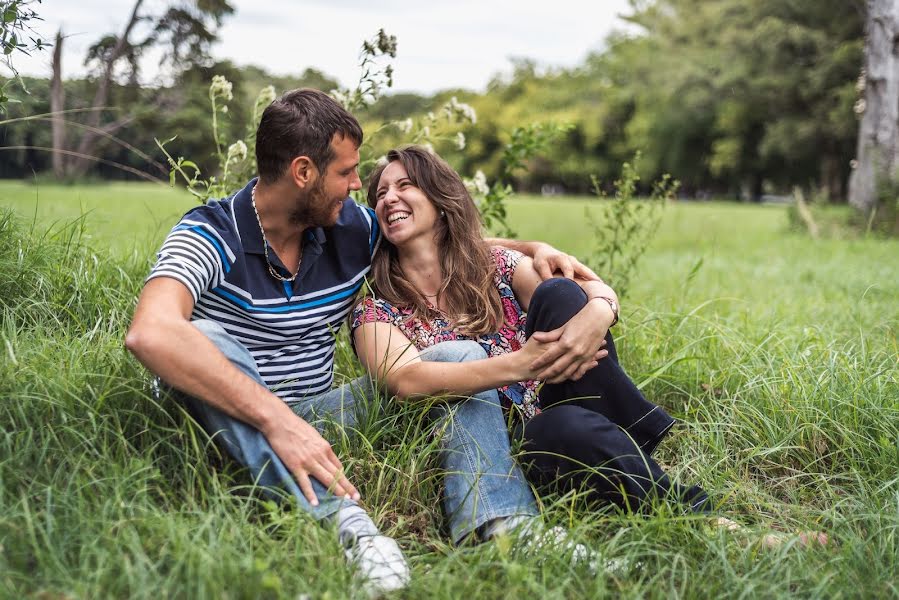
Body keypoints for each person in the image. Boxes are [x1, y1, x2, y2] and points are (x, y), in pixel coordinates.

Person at [125, 89, 599, 596]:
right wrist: (276, 420)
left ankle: (502, 524)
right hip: (226, 421)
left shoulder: (346, 229)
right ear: (303, 172)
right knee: (202, 336)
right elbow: (149, 332)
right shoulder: (208, 234)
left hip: (322, 417)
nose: (358, 186)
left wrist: (535, 250)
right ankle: (353, 532)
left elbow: (436, 234)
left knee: (459, 355)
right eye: (347, 173)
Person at [352, 145, 831, 549]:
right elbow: (406, 380)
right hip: (502, 448)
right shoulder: (377, 307)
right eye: (380, 193)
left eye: (405, 185)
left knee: (561, 295)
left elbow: (588, 287)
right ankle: (704, 519)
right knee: (562, 428)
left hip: (560, 401)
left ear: (441, 198)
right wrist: (520, 364)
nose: (389, 197)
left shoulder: (494, 266)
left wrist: (600, 313)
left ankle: (624, 441)